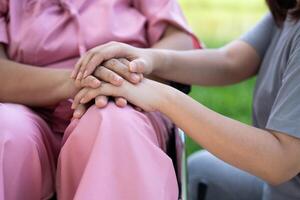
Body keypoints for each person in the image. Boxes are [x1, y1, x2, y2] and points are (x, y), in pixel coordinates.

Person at [71, 0, 300, 199]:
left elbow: (279, 160)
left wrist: (161, 96)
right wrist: (149, 58)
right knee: (202, 171)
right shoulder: (290, 8)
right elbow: (231, 61)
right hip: (280, 190)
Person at [0, 0, 198, 199]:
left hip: (128, 99)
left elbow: (180, 42)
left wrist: (122, 75)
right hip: (30, 105)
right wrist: (80, 81)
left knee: (114, 121)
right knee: (6, 127)